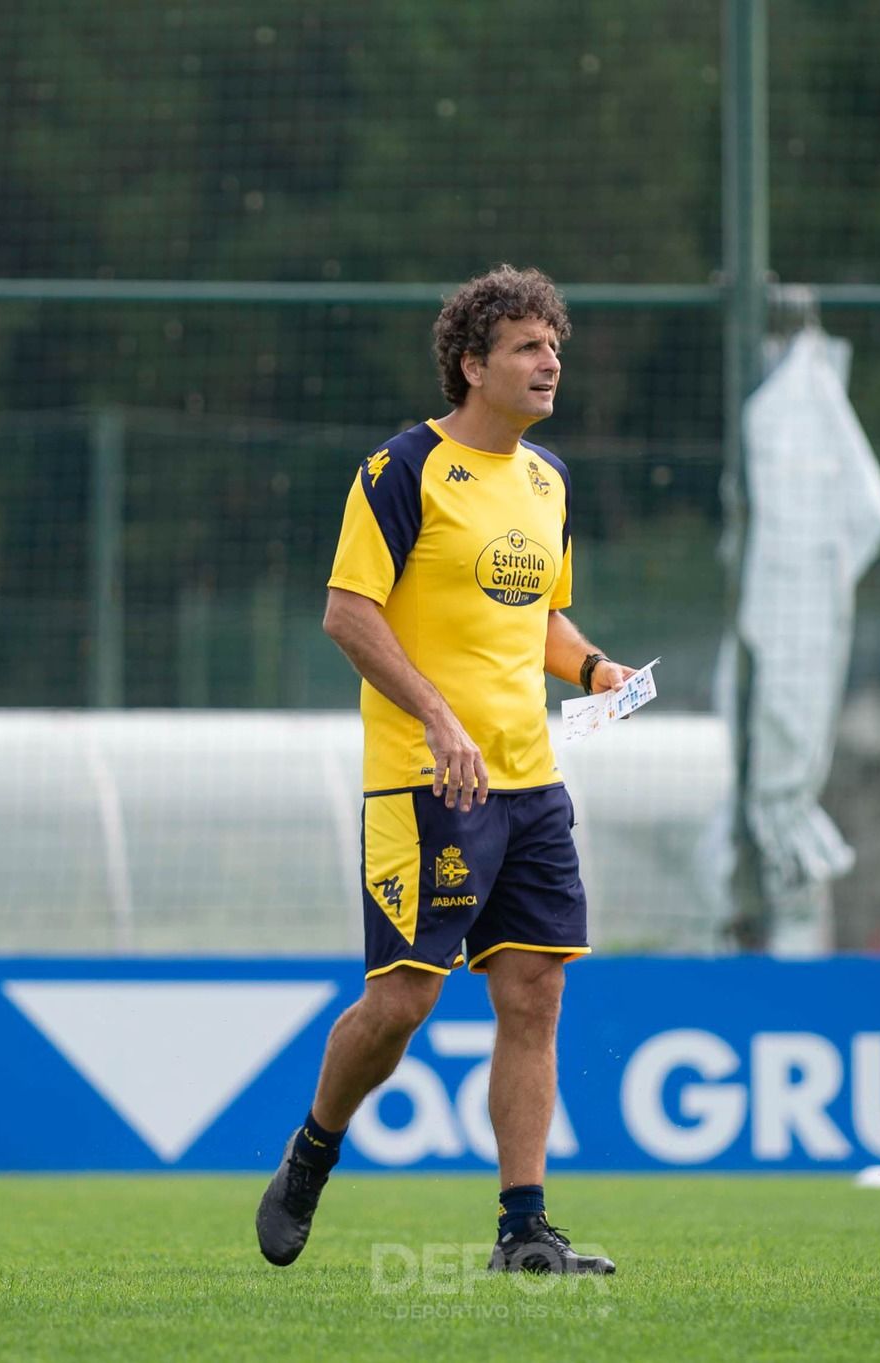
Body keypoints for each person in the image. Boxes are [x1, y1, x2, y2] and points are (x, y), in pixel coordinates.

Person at [256, 265, 630, 1275]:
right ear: (472, 364)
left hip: (527, 781)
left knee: (534, 995)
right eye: (525, 345)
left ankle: (522, 1229)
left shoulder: (547, 480)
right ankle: (311, 1152)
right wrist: (436, 716)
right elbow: (347, 612)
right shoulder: (401, 470)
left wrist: (594, 668)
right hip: (428, 780)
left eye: (553, 343)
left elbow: (539, 620)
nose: (549, 359)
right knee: (402, 1002)